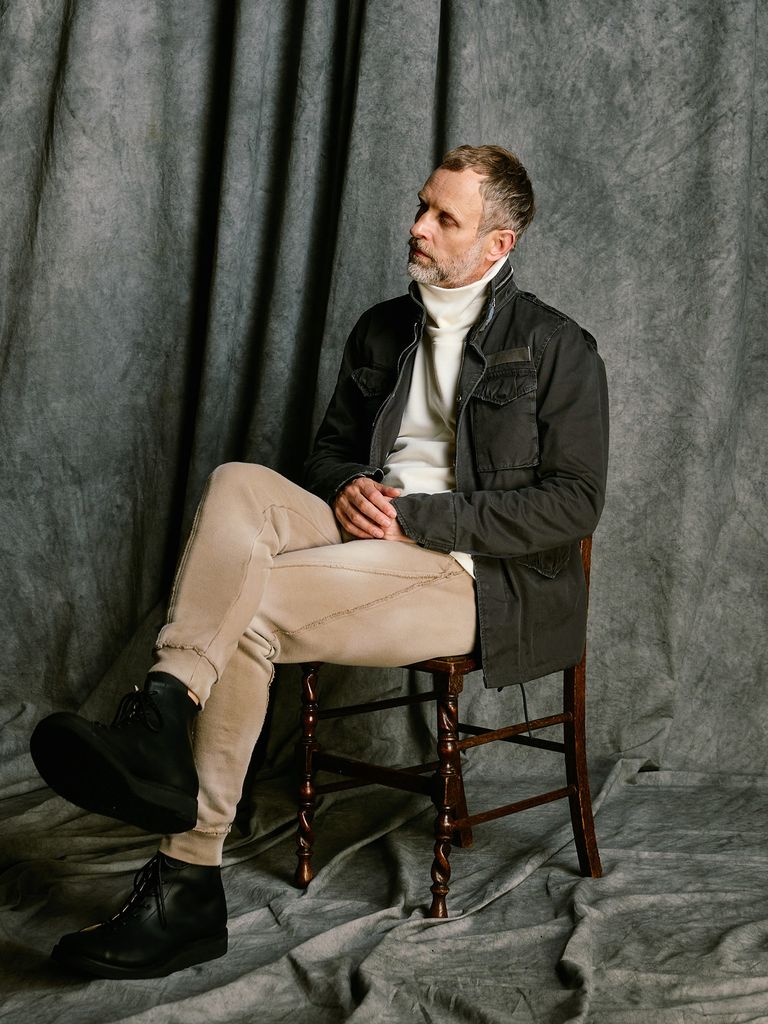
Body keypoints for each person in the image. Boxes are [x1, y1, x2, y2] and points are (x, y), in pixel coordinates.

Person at [30, 145, 609, 978]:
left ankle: (186, 877)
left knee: (248, 610)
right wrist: (345, 488)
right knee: (238, 482)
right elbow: (329, 451)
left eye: (444, 218)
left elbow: (573, 503)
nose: (417, 227)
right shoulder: (382, 327)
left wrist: (417, 518)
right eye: (422, 205)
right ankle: (162, 709)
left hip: (472, 578)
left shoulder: (556, 346)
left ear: (497, 244)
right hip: (366, 543)